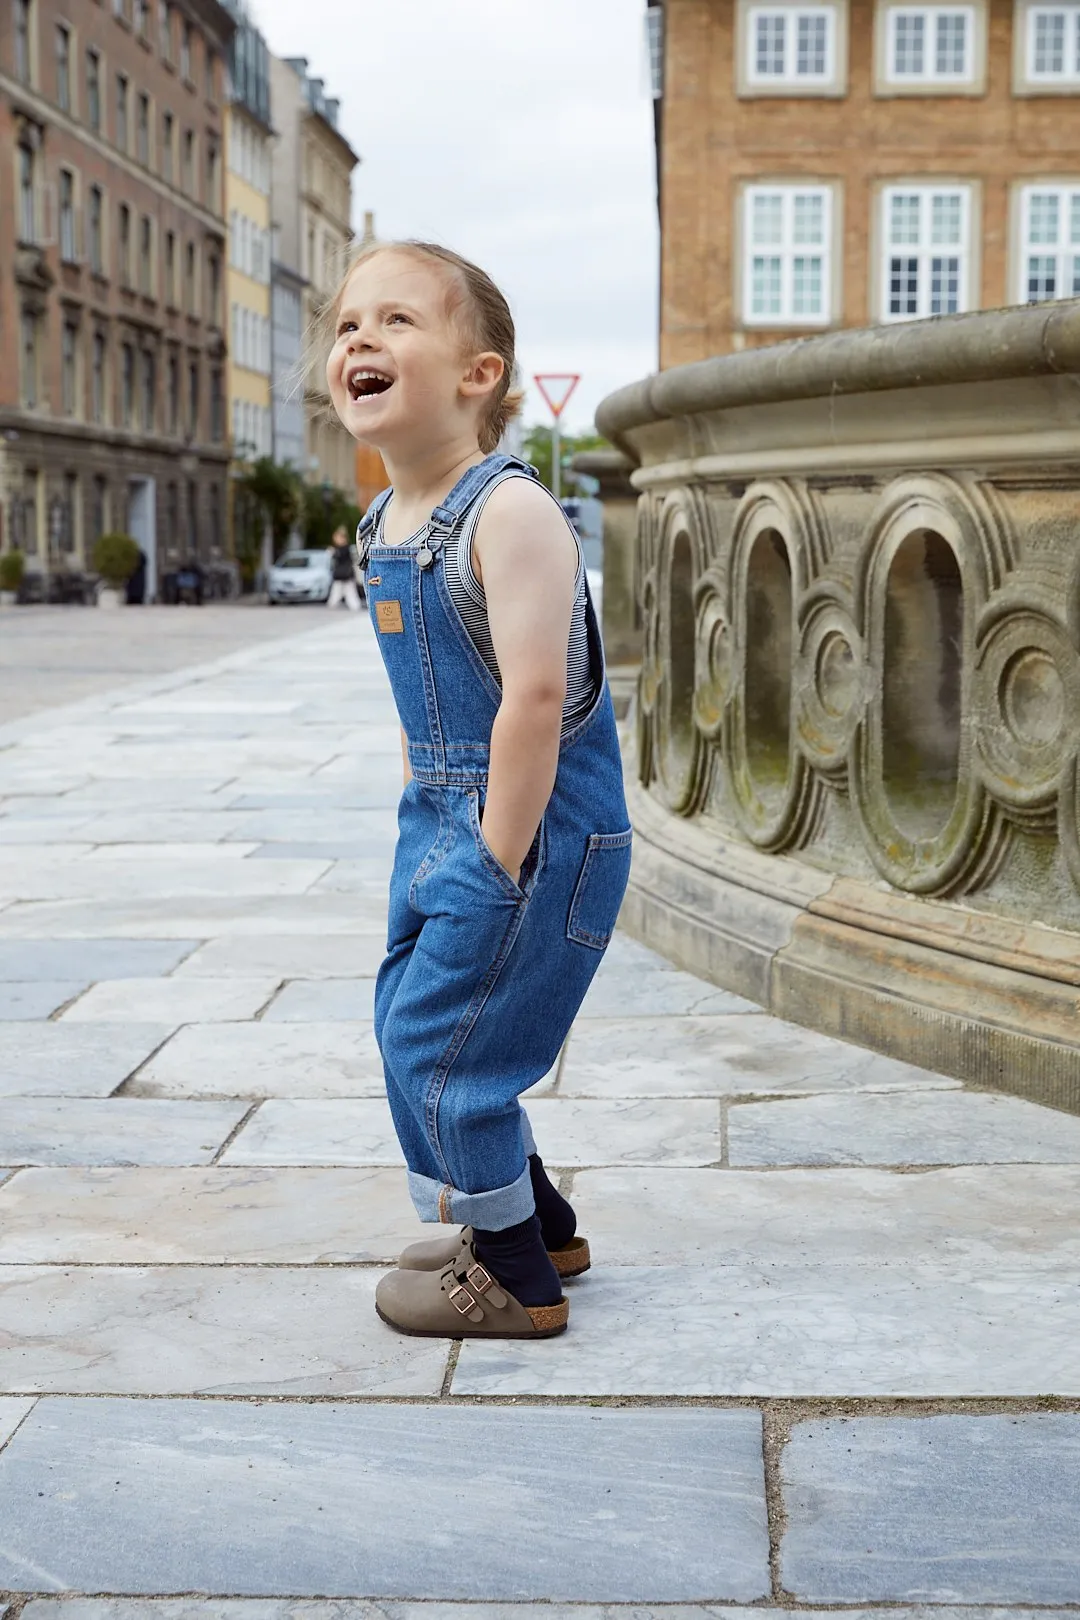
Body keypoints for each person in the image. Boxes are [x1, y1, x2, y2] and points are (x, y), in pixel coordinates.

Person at [324, 239, 631, 1341]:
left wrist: (494, 861)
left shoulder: (509, 514)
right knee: (421, 1018)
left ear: (478, 374)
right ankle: (533, 1219)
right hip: (446, 825)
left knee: (439, 1044)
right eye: (349, 324)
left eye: (397, 321)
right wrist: (426, 834)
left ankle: (510, 1275)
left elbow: (535, 701)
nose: (359, 338)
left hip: (536, 832)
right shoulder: (385, 527)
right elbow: (430, 708)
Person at [327, 525, 363, 611]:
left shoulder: (345, 548)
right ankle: (332, 605)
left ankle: (355, 606)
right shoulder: (340, 548)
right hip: (342, 575)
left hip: (346, 574)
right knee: (337, 592)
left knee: (349, 592)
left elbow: (341, 557)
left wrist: (334, 553)